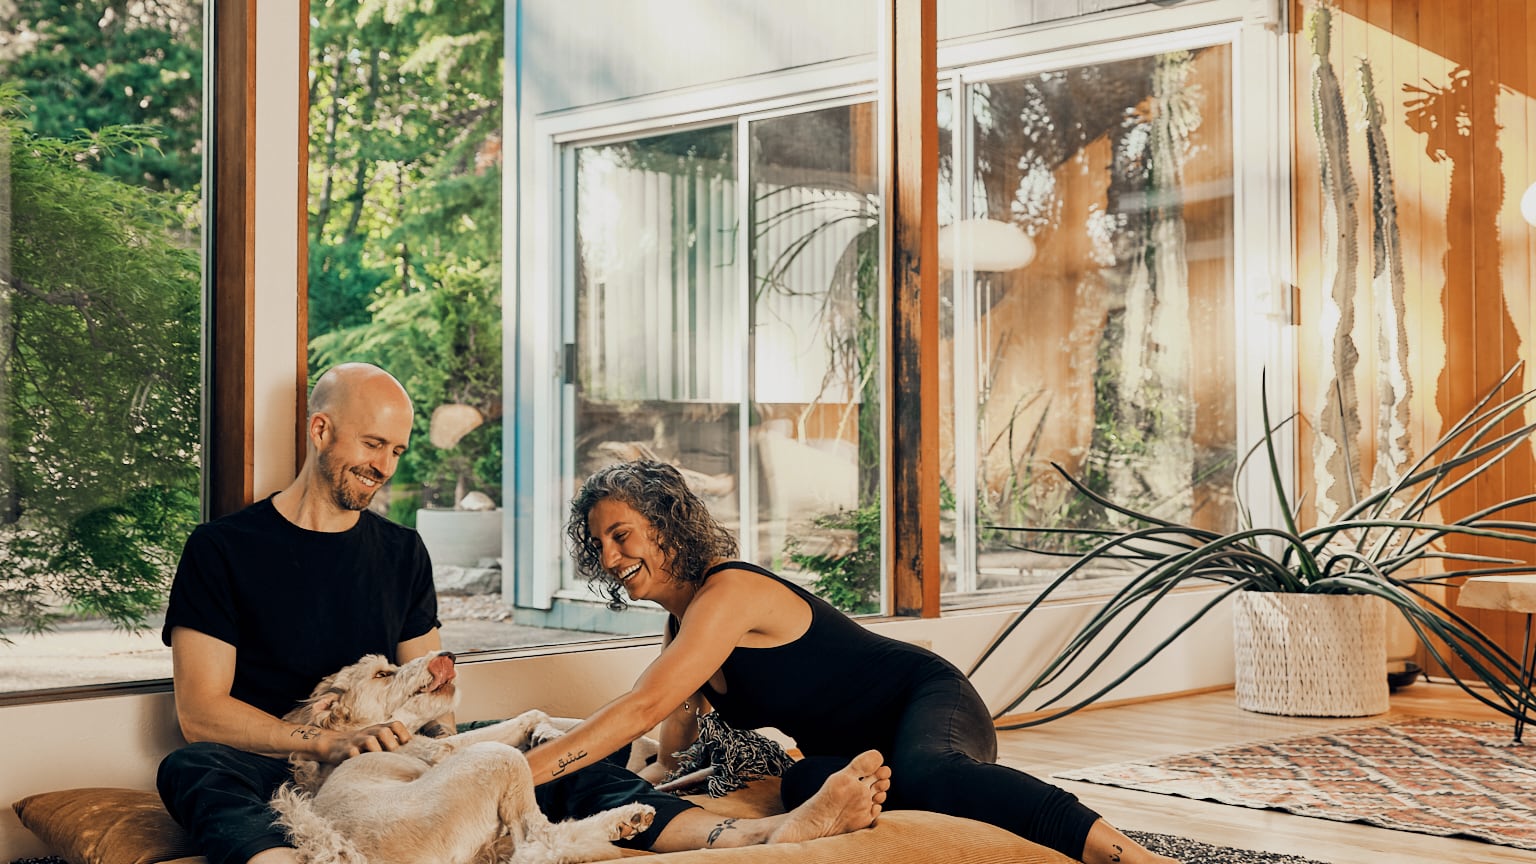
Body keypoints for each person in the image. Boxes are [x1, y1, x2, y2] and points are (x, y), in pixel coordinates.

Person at [156, 363, 889, 864]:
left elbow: (434, 701)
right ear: (321, 431)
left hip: (392, 754)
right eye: (373, 445)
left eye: (397, 451)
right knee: (190, 768)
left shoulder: (401, 551)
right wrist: (323, 742)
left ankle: (743, 837)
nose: (385, 467)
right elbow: (200, 712)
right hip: (281, 759)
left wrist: (454, 749)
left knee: (556, 746)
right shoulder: (223, 549)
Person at [532, 459, 1180, 864]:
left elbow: (641, 705)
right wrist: (649, 786)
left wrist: (519, 771)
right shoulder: (681, 627)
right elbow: (673, 730)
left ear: (667, 524)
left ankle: (1131, 855)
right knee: (803, 781)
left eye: (621, 535)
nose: (610, 558)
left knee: (926, 772)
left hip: (926, 701)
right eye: (599, 544)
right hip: (858, 754)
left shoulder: (730, 591)